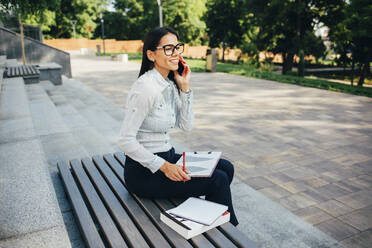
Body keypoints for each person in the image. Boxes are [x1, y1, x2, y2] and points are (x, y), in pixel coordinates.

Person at [118, 27, 238, 226]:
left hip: (168, 156)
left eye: (177, 47)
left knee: (226, 168)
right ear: (150, 54)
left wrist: (185, 88)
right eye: (168, 48)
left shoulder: (169, 84)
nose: (176, 53)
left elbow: (186, 125)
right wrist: (164, 167)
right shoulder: (146, 88)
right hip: (144, 172)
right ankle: (230, 231)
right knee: (218, 180)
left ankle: (208, 220)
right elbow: (124, 140)